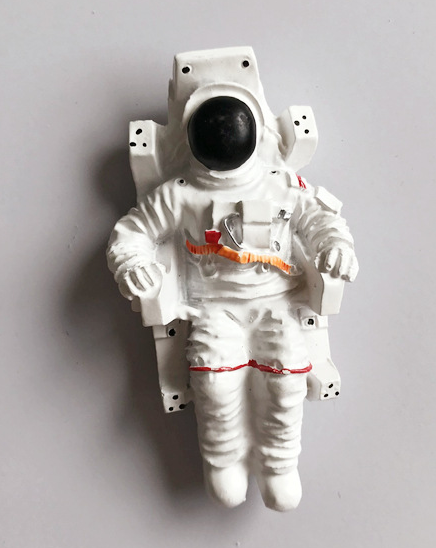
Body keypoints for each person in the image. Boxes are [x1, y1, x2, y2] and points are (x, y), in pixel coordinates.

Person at [107, 83, 357, 511]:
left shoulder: (280, 184)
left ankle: (278, 463)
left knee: (285, 379)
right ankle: (223, 459)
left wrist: (337, 247)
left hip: (276, 304)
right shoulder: (181, 192)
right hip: (214, 307)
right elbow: (133, 233)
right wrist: (132, 263)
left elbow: (322, 220)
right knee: (214, 382)